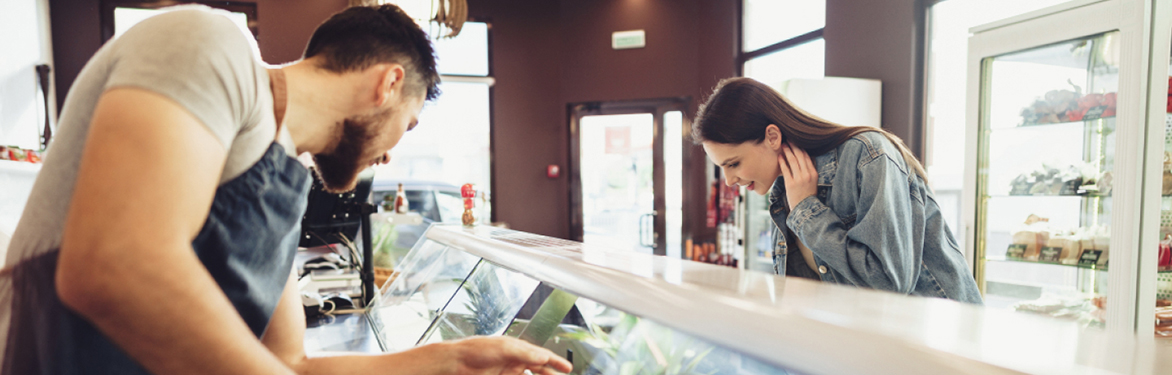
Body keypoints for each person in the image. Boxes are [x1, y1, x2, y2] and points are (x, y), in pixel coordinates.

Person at [0, 4, 571, 375]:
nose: (393, 151)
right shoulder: (210, 43)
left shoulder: (284, 183)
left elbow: (290, 361)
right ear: (389, 83)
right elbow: (113, 264)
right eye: (410, 123)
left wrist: (453, 359)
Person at [693, 77, 982, 304]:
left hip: (941, 346)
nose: (729, 180)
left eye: (734, 163)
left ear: (771, 136)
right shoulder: (783, 191)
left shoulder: (867, 154)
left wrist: (807, 209)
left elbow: (888, 284)